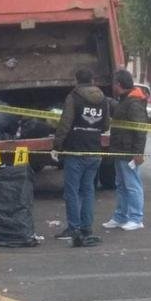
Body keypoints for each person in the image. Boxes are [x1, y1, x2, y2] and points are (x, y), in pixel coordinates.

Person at [52, 69, 110, 246]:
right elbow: (106, 125)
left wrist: (57, 145)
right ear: (92, 80)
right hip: (94, 150)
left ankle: (74, 228)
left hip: (75, 150)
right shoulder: (103, 99)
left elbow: (65, 123)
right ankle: (86, 228)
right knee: (88, 190)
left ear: (76, 80)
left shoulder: (73, 97)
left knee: (72, 191)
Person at [102, 69, 148, 231]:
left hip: (128, 151)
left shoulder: (134, 103)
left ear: (119, 84)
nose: (112, 87)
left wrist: (138, 153)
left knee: (132, 185)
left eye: (114, 83)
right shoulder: (125, 100)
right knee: (121, 185)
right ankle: (120, 216)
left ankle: (136, 218)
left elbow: (140, 130)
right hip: (120, 149)